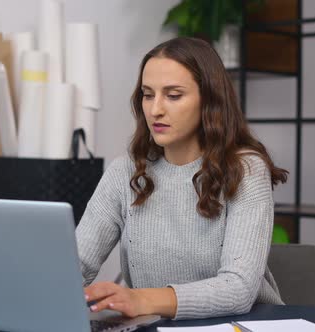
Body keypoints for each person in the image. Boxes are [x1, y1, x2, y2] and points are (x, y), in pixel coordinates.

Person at [76, 37, 288, 320]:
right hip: (156, 325)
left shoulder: (246, 170)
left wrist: (141, 298)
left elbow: (238, 289)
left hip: (244, 325)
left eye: (173, 95)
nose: (155, 110)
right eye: (148, 94)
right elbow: (77, 264)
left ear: (209, 100)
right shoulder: (124, 172)